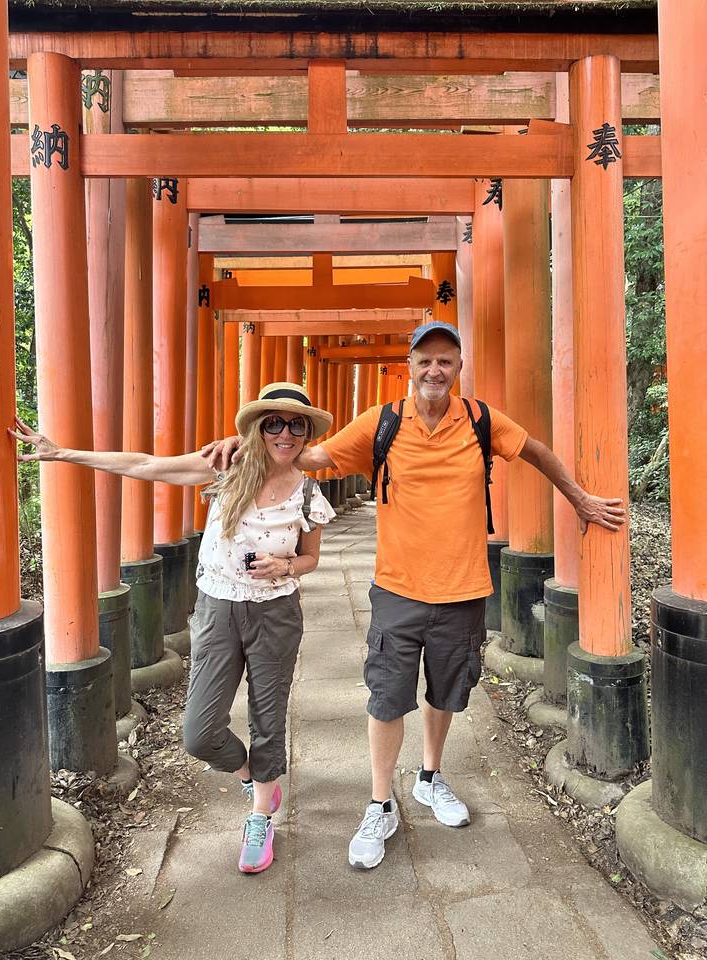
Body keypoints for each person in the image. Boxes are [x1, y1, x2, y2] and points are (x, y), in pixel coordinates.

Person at [204, 322, 626, 871]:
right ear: (410, 363)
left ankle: (429, 777)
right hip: (398, 589)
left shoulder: (479, 421)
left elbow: (536, 451)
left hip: (464, 587)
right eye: (425, 360)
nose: (435, 370)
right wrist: (249, 440)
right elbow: (308, 456)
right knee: (386, 698)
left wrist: (580, 499)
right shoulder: (381, 423)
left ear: (458, 367)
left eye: (446, 361)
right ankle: (380, 803)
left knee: (448, 693)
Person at [11, 382, 335, 875]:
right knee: (199, 734)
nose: (285, 433)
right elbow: (145, 464)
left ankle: (261, 813)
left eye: (296, 424)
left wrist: (286, 566)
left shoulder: (309, 492)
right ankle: (253, 776)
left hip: (277, 615)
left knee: (268, 717)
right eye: (274, 422)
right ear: (256, 428)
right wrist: (62, 453)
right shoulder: (224, 469)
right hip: (218, 611)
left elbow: (312, 557)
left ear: (306, 432)